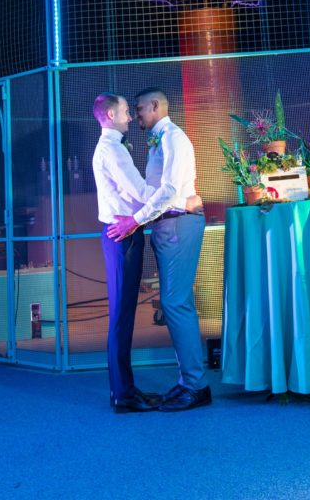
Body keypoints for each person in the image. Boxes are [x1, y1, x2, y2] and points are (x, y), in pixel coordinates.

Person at [92, 92, 201, 413]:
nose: (132, 116)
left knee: (152, 307)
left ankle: (138, 390)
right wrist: (182, 201)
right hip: (123, 232)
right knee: (123, 315)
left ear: (155, 107)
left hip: (137, 229)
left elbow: (163, 189)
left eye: (136, 109)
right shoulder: (113, 148)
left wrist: (180, 203)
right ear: (111, 116)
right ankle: (124, 394)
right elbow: (143, 191)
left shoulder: (169, 138)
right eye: (128, 110)